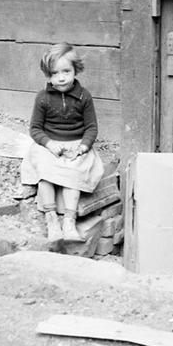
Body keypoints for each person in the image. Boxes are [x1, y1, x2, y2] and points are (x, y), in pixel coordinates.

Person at [20, 42, 104, 242]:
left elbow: (91, 127)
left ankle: (69, 221)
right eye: (54, 73)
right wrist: (49, 144)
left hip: (76, 144)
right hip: (50, 145)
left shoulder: (84, 96)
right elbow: (35, 129)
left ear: (75, 70)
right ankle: (51, 220)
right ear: (48, 75)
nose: (61, 77)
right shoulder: (43, 98)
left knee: (74, 173)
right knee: (44, 172)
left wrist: (83, 147)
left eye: (66, 71)